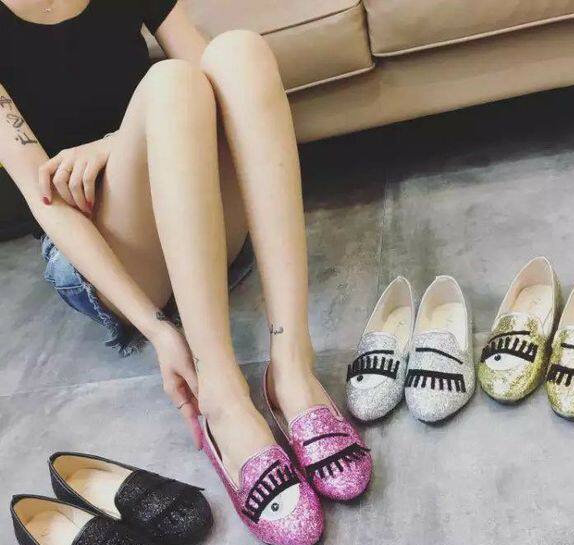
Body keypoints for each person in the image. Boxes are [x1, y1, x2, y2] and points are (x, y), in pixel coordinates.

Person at [0, 0, 351, 486]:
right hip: (108, 253)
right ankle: (223, 399)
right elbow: (46, 203)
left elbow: (215, 81)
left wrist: (110, 143)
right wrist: (157, 329)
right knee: (169, 83)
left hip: (196, 218)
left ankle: (293, 367)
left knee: (239, 53)